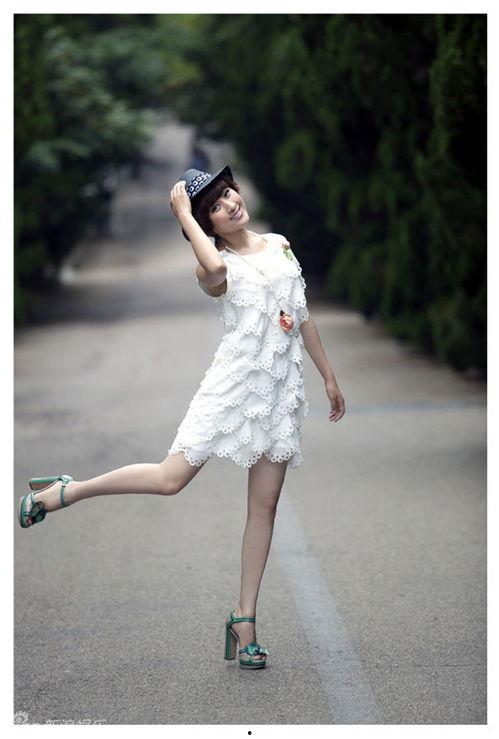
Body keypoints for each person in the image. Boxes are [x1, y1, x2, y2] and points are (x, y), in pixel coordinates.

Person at [18, 165, 345, 670]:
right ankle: (70, 489)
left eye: (228, 194)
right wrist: (185, 216)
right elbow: (213, 268)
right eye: (215, 207)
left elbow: (301, 316)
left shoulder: (280, 244)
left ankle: (244, 620)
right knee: (170, 480)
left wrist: (328, 376)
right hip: (231, 389)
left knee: (264, 507)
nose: (230, 204)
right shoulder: (212, 267)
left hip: (279, 392)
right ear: (205, 225)